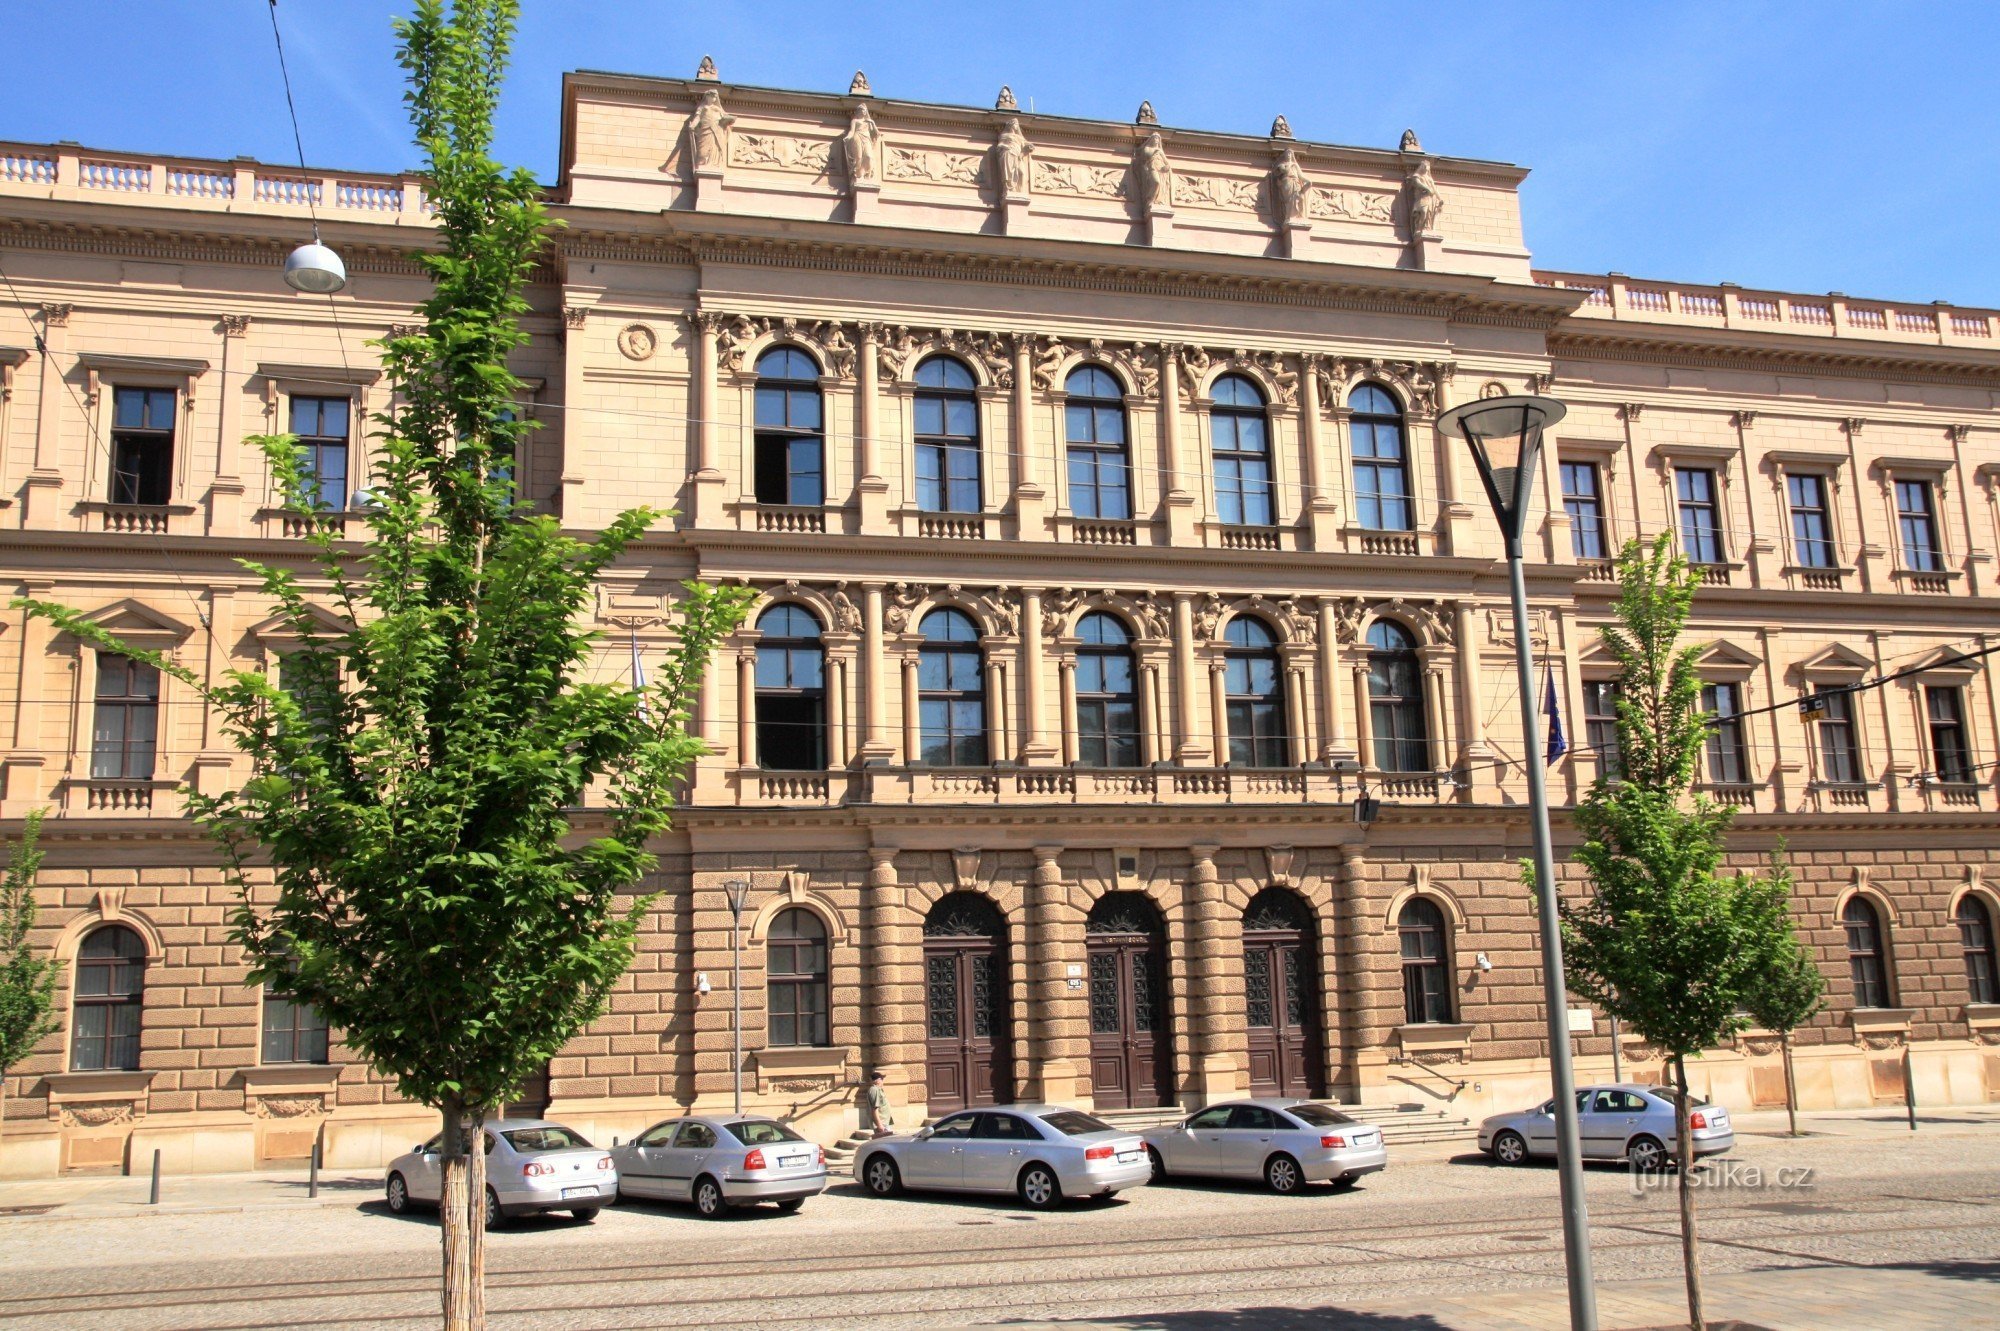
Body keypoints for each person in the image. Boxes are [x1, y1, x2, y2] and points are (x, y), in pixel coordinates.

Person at [863, 1070, 892, 1137]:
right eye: (882, 1079)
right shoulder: (874, 1089)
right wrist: (880, 1125)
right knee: (884, 1145)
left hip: (884, 1123)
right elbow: (874, 1109)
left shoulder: (877, 1089)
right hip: (882, 1124)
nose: (882, 1081)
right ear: (878, 1080)